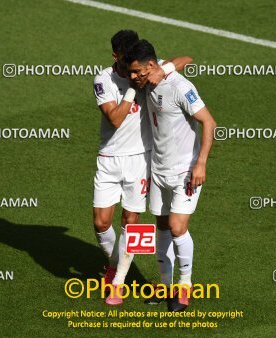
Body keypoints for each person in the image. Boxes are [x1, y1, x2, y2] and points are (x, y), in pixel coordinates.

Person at [92, 30, 192, 305]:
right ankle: (115, 262)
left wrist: (165, 69)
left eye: (136, 67)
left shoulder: (142, 68)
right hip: (109, 157)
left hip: (140, 159)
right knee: (101, 223)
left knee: (131, 223)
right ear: (115, 57)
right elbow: (114, 119)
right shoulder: (104, 79)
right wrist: (133, 89)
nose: (133, 71)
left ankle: (118, 280)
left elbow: (186, 58)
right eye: (126, 63)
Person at [124, 39, 216, 311]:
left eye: (136, 73)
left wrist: (201, 164)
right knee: (161, 226)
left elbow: (209, 122)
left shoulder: (180, 87)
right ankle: (164, 285)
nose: (133, 78)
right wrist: (162, 69)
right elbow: (180, 57)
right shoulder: (151, 76)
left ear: (150, 66)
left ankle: (184, 287)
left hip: (185, 172)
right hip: (158, 169)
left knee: (177, 227)